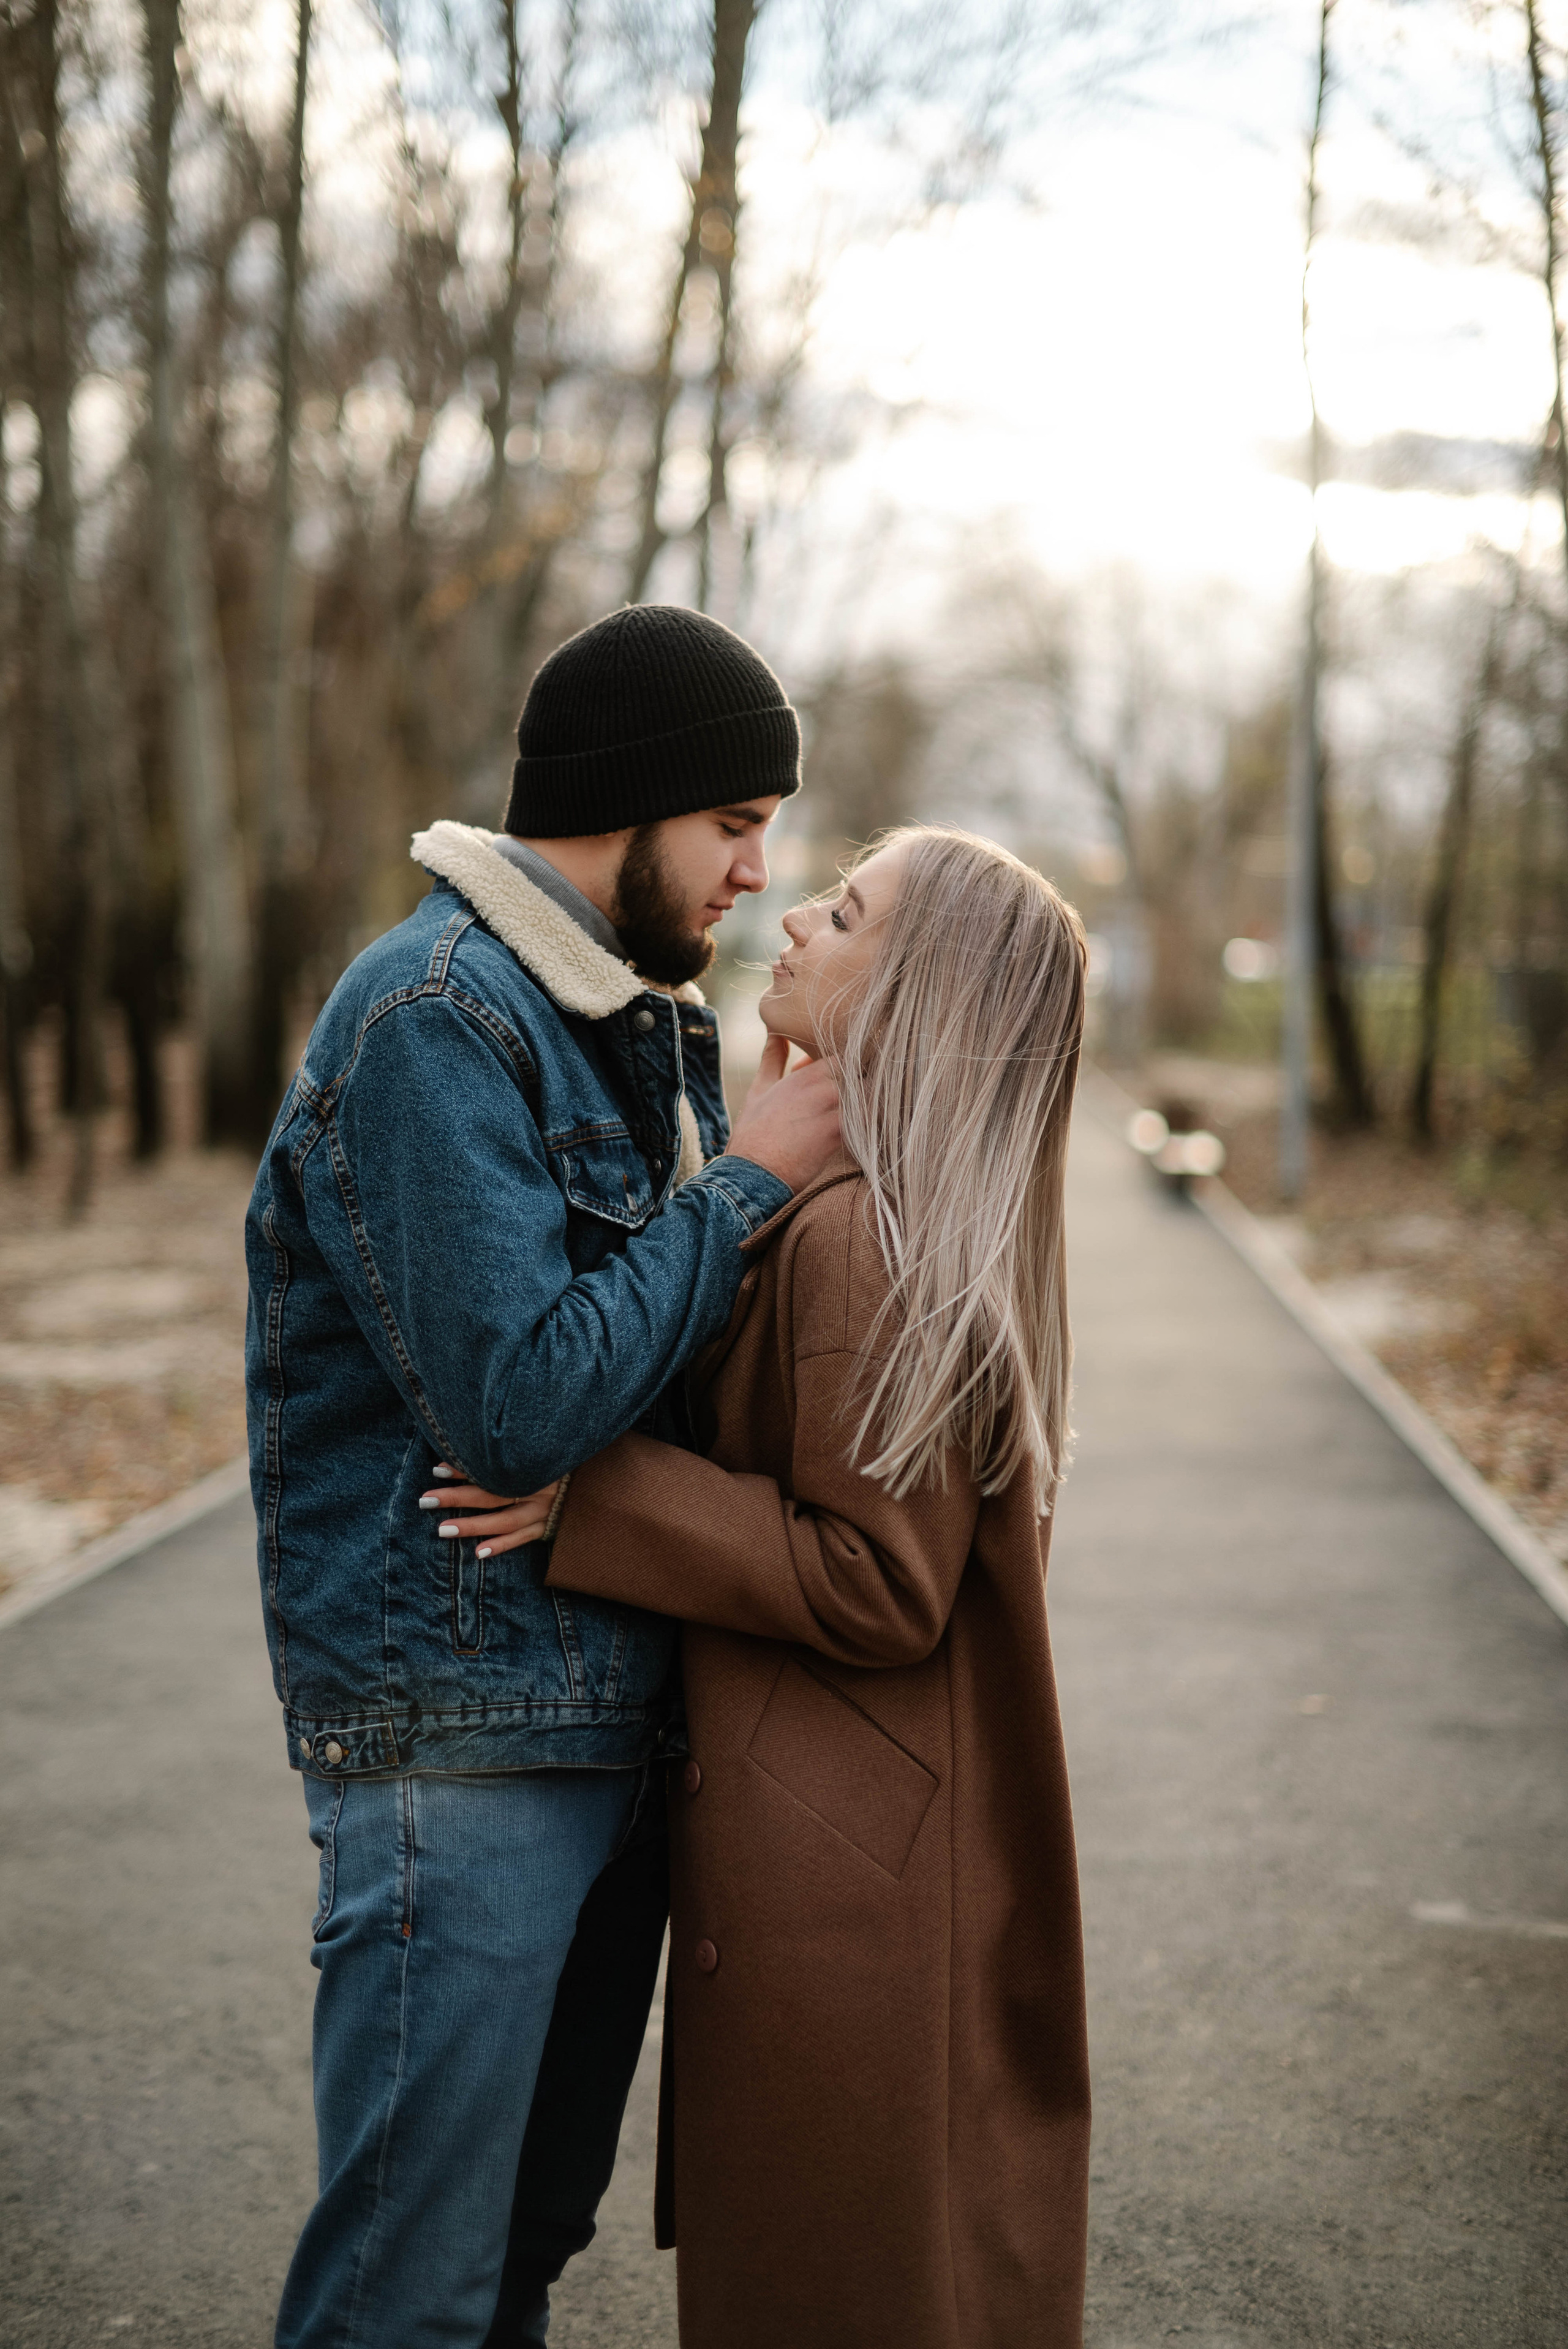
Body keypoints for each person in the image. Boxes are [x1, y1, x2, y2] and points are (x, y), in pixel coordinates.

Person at [242, 603, 841, 2349]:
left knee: (512, 2264)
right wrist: (749, 1186)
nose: (752, 871)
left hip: (604, 1722)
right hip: (461, 1738)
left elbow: (642, 1384)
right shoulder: (435, 1013)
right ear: (631, 803)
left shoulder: (630, 1018)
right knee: (405, 2298)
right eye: (734, 824)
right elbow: (518, 1400)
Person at [431, 824, 1093, 2349]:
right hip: (865, 1855)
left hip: (848, 1888)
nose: (793, 917)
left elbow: (882, 1580)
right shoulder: (867, 1201)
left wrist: (588, 1494)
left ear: (913, 994)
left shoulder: (860, 1236)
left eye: (845, 912)